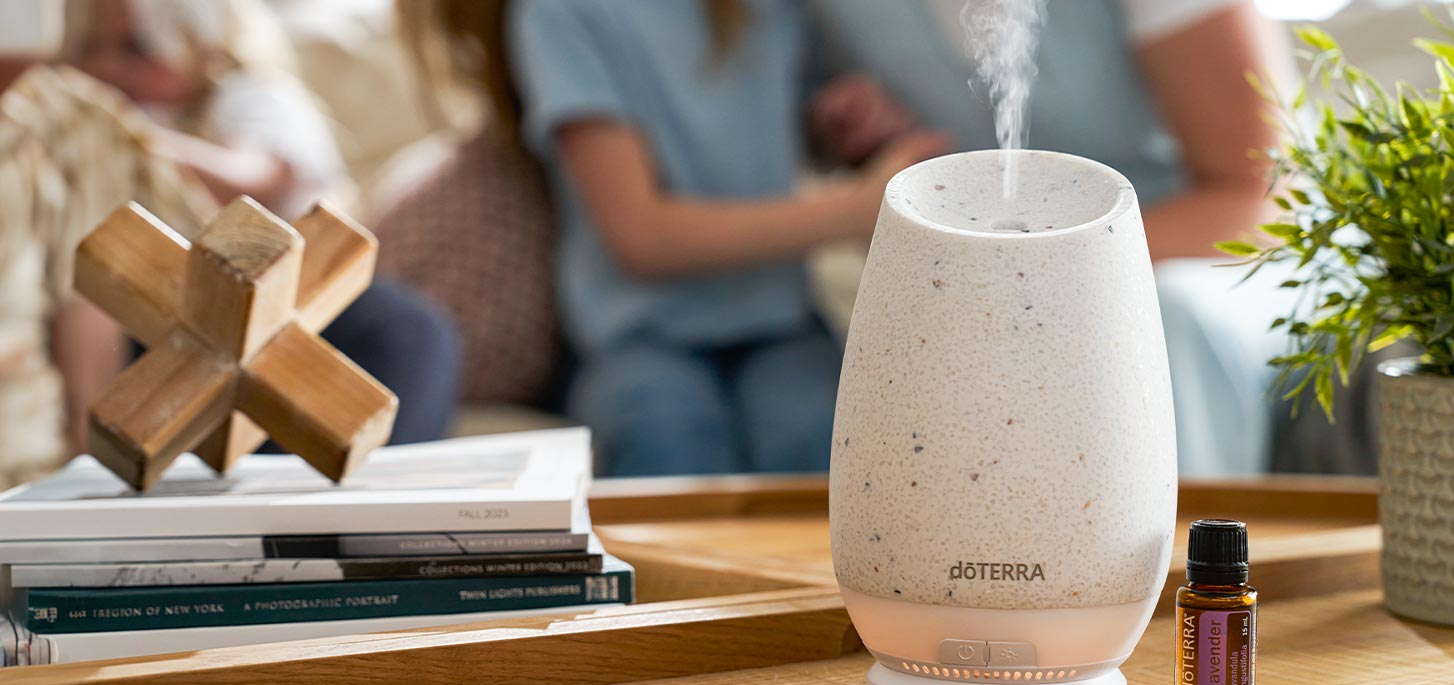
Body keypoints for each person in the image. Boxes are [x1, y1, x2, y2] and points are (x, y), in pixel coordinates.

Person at [815, 0, 1305, 475]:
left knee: (1160, 318)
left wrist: (1032, 275)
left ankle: (1180, 556)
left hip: (1222, 258)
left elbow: (1258, 198)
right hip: (993, 277)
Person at [506, 0, 948, 476]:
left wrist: (832, 125)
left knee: (820, 435)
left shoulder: (775, 11)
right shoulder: (563, 14)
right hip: (640, 340)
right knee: (662, 437)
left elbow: (776, 121)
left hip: (781, 329)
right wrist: (855, 211)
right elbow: (641, 236)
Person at [64, 0, 461, 444]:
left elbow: (256, 181)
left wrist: (127, 136)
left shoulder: (247, 97)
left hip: (293, 303)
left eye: (135, 49)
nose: (106, 68)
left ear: (203, 47)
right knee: (86, 302)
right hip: (180, 321)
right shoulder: (94, 131)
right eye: (88, 48)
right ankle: (95, 452)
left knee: (407, 333)